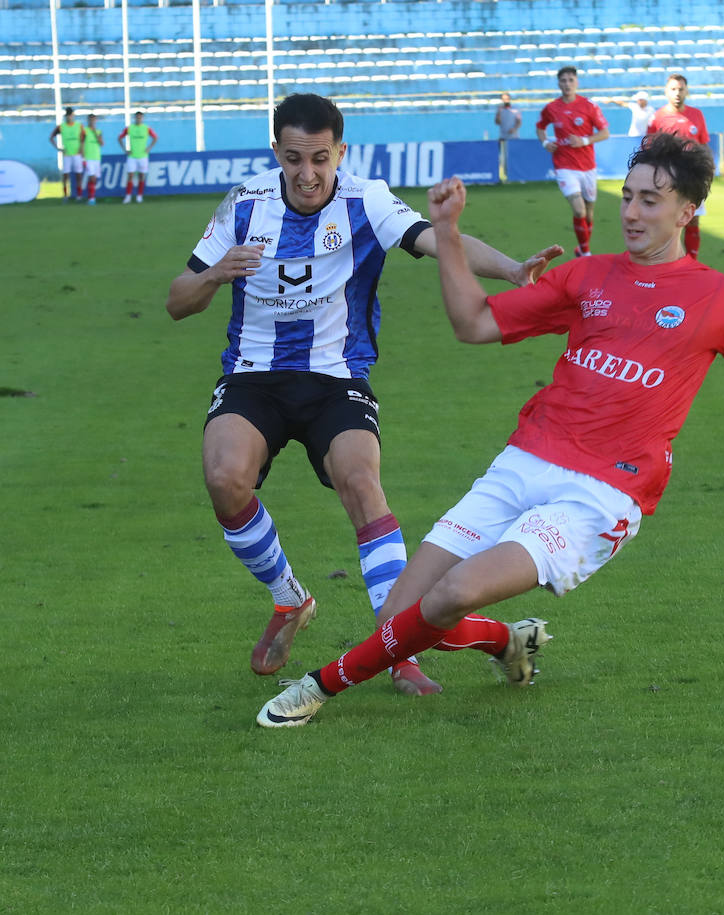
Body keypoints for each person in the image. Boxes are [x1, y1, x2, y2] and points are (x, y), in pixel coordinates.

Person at [257, 132, 724, 727]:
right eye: (629, 197)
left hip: (600, 493)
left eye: (652, 200)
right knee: (401, 616)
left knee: (454, 592)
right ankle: (506, 639)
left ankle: (319, 687)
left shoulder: (720, 298)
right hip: (524, 463)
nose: (633, 212)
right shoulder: (589, 276)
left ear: (687, 211)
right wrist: (448, 235)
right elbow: (474, 325)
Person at [166, 93, 545, 697]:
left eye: (320, 158)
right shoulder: (244, 204)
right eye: (294, 158)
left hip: (337, 379)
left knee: (362, 484)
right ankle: (289, 600)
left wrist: (511, 269)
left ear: (341, 152)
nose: (308, 173)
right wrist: (214, 274)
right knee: (223, 478)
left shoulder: (366, 199)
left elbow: (434, 241)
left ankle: (398, 651)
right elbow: (176, 300)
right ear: (277, 154)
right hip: (252, 376)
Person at [537, 66, 610, 257]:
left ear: (577, 82)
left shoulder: (589, 106)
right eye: (563, 80)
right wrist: (545, 142)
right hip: (564, 166)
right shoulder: (551, 108)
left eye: (571, 80)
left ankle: (582, 247)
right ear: (558, 83)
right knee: (579, 211)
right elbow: (540, 127)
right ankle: (586, 253)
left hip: (587, 167)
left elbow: (604, 133)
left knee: (588, 212)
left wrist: (584, 141)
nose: (567, 84)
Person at [647, 73, 710, 259]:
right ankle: (664, 259)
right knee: (667, 221)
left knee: (693, 219)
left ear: (686, 91)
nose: (677, 93)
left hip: (693, 176)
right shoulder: (657, 118)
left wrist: (709, 169)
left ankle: (691, 261)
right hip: (668, 179)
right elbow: (649, 150)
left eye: (681, 89)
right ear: (666, 92)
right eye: (673, 89)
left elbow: (703, 144)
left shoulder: (696, 115)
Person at [120, 111, 157, 203]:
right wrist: (125, 149)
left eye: (140, 117)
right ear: (135, 118)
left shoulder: (146, 128)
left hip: (143, 156)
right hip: (132, 156)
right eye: (137, 117)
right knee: (130, 176)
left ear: (142, 118)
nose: (138, 119)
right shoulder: (129, 128)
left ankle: (139, 196)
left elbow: (155, 137)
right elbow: (120, 137)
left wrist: (149, 148)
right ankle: (128, 196)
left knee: (141, 176)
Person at [48, 107, 84, 201]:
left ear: (73, 115)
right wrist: (58, 148)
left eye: (70, 115)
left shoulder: (79, 126)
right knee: (65, 175)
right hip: (67, 154)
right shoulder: (61, 127)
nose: (69, 117)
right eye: (67, 115)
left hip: (77, 154)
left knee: (78, 175)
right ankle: (65, 195)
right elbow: (51, 137)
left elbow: (83, 138)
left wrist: (81, 149)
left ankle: (79, 195)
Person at [493, 91, 522, 182]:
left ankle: (517, 176)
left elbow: (519, 121)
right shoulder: (500, 110)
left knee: (515, 157)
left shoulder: (516, 109)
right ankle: (506, 176)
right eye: (503, 99)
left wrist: (514, 128)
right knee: (503, 158)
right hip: (503, 137)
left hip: (514, 137)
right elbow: (497, 122)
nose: (505, 100)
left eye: (506, 98)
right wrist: (498, 112)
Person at [81, 114, 103, 205]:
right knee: (92, 177)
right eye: (90, 120)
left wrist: (95, 133)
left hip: (96, 158)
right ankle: (91, 198)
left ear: (96, 121)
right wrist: (82, 157)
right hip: (88, 158)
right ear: (88, 121)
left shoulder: (98, 132)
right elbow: (81, 143)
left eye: (94, 120)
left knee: (94, 179)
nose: (92, 122)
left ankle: (90, 196)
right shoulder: (84, 131)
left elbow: (101, 143)